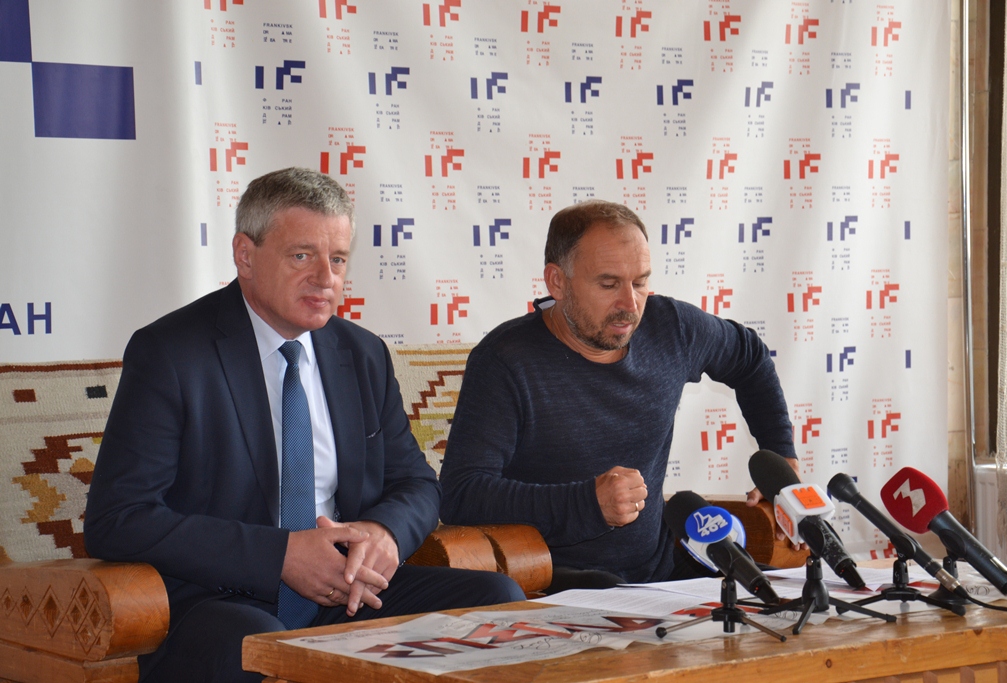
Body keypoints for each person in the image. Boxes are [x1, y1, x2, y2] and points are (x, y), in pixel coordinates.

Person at [84, 168, 524, 683]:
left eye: (337, 259)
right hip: (219, 600)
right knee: (259, 648)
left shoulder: (362, 354)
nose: (325, 278)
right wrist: (280, 557)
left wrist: (383, 534)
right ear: (245, 255)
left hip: (348, 592)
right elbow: (119, 518)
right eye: (301, 256)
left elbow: (417, 484)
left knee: (496, 602)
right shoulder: (172, 353)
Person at [438, 200, 798, 592]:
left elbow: (750, 358)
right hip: (554, 579)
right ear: (557, 282)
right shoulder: (505, 361)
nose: (630, 305)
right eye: (608, 285)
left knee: (789, 600)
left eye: (640, 282)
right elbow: (462, 494)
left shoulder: (671, 327)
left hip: (661, 570)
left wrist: (781, 456)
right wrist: (587, 504)